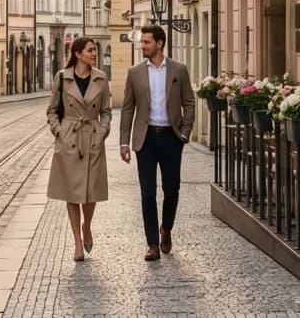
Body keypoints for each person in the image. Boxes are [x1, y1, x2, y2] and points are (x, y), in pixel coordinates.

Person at [118, 24, 195, 262]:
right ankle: (152, 244)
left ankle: (166, 228)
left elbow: (189, 102)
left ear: (159, 44)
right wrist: (124, 142)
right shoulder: (135, 72)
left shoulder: (179, 70)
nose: (142, 46)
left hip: (171, 138)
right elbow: (127, 108)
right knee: (147, 193)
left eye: (146, 42)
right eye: (142, 42)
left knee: (171, 190)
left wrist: (184, 133)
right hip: (146, 139)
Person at [46, 36, 110, 263]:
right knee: (72, 193)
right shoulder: (62, 78)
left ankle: (87, 226)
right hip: (70, 139)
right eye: (90, 50)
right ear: (78, 53)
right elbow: (52, 110)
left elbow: (106, 112)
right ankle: (76, 242)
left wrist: (102, 133)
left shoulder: (101, 78)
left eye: (94, 50)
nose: (94, 53)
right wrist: (59, 132)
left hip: (92, 138)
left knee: (91, 192)